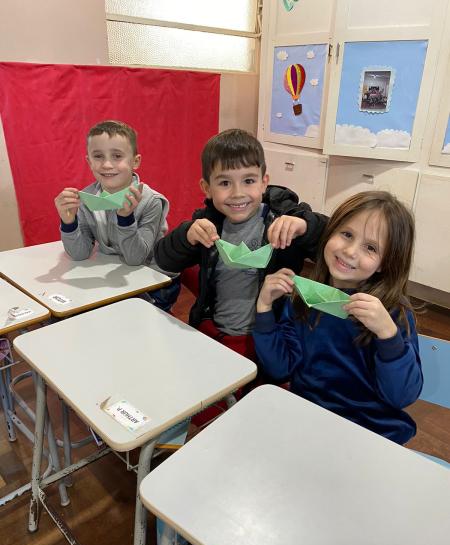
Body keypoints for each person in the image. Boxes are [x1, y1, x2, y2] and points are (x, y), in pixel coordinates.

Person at [253, 190, 423, 444]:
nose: (350, 251)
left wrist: (389, 336)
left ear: (386, 263)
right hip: (307, 420)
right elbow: (280, 369)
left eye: (371, 248)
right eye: (346, 234)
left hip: (370, 433)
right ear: (329, 233)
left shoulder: (393, 313)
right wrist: (264, 307)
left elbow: (401, 396)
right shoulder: (306, 298)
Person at [154, 128, 327, 360]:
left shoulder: (283, 217)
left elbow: (332, 241)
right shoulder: (208, 222)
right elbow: (164, 259)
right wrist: (186, 235)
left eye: (248, 181)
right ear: (207, 188)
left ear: (264, 182)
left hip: (269, 339)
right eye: (225, 183)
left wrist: (305, 226)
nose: (238, 193)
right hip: (214, 335)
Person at [54, 120, 179, 311]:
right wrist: (68, 221)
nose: (107, 164)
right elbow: (79, 254)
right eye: (98, 156)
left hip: (153, 281)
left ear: (135, 161)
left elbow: (135, 259)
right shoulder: (88, 198)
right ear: (88, 161)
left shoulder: (151, 201)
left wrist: (125, 218)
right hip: (113, 276)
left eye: (117, 156)